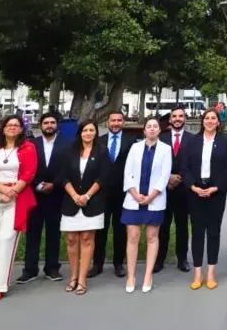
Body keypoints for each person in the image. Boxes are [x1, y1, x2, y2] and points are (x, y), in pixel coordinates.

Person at [0, 115, 38, 302]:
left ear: (21, 129)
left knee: (6, 239)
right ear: (2, 129)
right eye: (9, 125)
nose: (12, 128)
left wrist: (11, 193)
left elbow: (29, 173)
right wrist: (3, 190)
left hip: (16, 198)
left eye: (16, 125)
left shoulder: (28, 148)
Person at [181, 109, 227, 290]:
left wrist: (216, 188)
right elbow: (185, 168)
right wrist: (193, 187)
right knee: (197, 233)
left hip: (216, 193)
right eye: (207, 118)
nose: (210, 121)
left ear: (218, 122)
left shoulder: (226, 143)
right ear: (202, 121)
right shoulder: (192, 142)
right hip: (195, 192)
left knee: (213, 232)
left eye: (213, 118)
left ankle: (211, 272)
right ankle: (198, 273)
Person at [121, 116, 172, 293]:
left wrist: (150, 197)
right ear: (144, 131)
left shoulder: (166, 150)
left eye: (155, 126)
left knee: (152, 237)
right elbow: (127, 173)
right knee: (133, 237)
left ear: (159, 130)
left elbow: (164, 176)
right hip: (133, 199)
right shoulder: (135, 148)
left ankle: (148, 275)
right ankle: (131, 275)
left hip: (154, 200)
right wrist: (135, 194)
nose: (151, 129)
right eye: (148, 126)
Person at [17, 112, 66, 285]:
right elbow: (26, 168)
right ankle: (30, 270)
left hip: (56, 195)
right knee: (33, 234)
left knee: (54, 234)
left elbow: (67, 169)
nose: (49, 125)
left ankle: (52, 268)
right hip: (34, 195)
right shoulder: (31, 145)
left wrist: (54, 184)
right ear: (40, 125)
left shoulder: (67, 145)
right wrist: (37, 185)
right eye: (46, 123)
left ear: (57, 125)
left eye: (53, 122)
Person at [59, 120, 108, 296]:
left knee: (87, 238)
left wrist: (86, 196)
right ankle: (72, 277)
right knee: (71, 239)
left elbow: (103, 177)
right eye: (85, 130)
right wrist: (74, 196)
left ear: (95, 133)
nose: (88, 133)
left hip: (92, 201)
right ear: (80, 133)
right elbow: (63, 177)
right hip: (70, 201)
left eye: (91, 130)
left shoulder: (102, 151)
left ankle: (82, 279)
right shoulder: (69, 151)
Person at [89, 111, 135, 279]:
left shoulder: (131, 142)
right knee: (100, 228)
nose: (115, 123)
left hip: (123, 193)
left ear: (123, 122)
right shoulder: (98, 141)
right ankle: (97, 264)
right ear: (107, 123)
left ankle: (118, 263)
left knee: (120, 229)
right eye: (113, 120)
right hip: (101, 192)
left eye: (119, 120)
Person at [158, 105, 192, 273]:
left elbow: (194, 165)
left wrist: (180, 178)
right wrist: (167, 179)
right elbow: (156, 164)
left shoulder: (192, 139)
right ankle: (159, 259)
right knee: (162, 225)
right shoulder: (161, 138)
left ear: (185, 119)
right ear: (170, 119)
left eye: (181, 116)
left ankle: (182, 259)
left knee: (182, 226)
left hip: (184, 189)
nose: (177, 119)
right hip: (163, 189)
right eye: (174, 116)